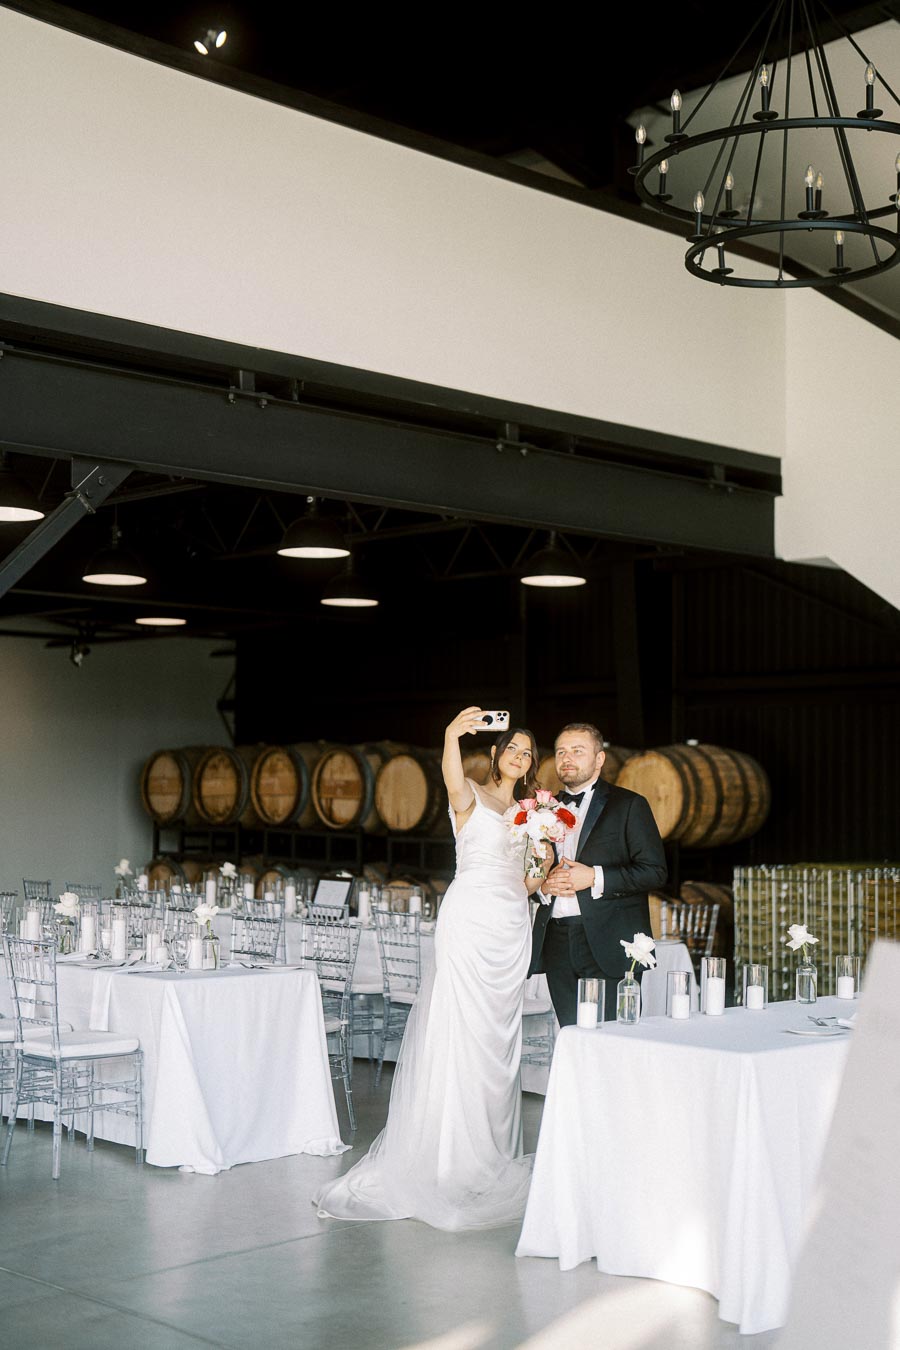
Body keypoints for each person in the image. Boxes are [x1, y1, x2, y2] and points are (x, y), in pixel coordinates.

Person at [314, 706, 550, 1231]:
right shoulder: (469, 792)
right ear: (495, 753)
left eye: (528, 752)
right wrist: (449, 732)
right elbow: (448, 773)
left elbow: (530, 880)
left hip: (512, 925)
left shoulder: (532, 813)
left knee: (497, 1039)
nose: (519, 756)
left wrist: (543, 860)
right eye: (512, 747)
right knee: (460, 1030)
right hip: (469, 921)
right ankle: (448, 1159)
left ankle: (493, 1152)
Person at [529, 722, 667, 1025]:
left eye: (578, 751)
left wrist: (594, 877)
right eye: (561, 751)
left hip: (608, 943)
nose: (567, 758)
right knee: (571, 1036)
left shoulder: (629, 805)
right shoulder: (540, 812)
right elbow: (532, 870)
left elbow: (655, 872)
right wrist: (543, 887)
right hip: (556, 942)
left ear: (599, 759)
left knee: (612, 1040)